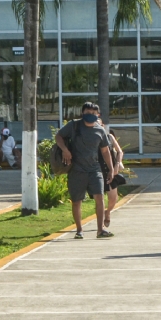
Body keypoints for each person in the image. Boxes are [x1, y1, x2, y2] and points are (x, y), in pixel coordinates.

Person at [55, 102, 116, 240]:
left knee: (99, 198)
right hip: (77, 170)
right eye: (88, 113)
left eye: (94, 113)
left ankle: (100, 230)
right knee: (77, 201)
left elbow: (105, 151)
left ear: (98, 115)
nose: (91, 116)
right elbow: (58, 136)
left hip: (95, 170)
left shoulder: (100, 131)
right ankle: (79, 230)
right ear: (82, 113)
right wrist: (65, 150)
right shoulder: (74, 125)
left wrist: (111, 169)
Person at [103, 126, 126, 227]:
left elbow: (120, 151)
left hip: (111, 171)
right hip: (97, 171)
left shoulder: (109, 137)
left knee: (113, 198)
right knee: (99, 199)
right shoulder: (91, 137)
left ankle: (107, 212)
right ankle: (100, 225)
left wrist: (117, 164)